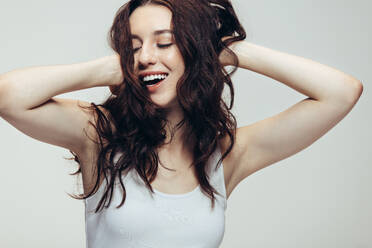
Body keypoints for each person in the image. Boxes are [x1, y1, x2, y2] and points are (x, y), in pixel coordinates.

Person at [0, 0, 363, 247]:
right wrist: (110, 68)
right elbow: (9, 96)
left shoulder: (228, 155)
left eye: (165, 42)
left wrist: (229, 50)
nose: (145, 57)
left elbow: (341, 92)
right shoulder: (98, 134)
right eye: (134, 45)